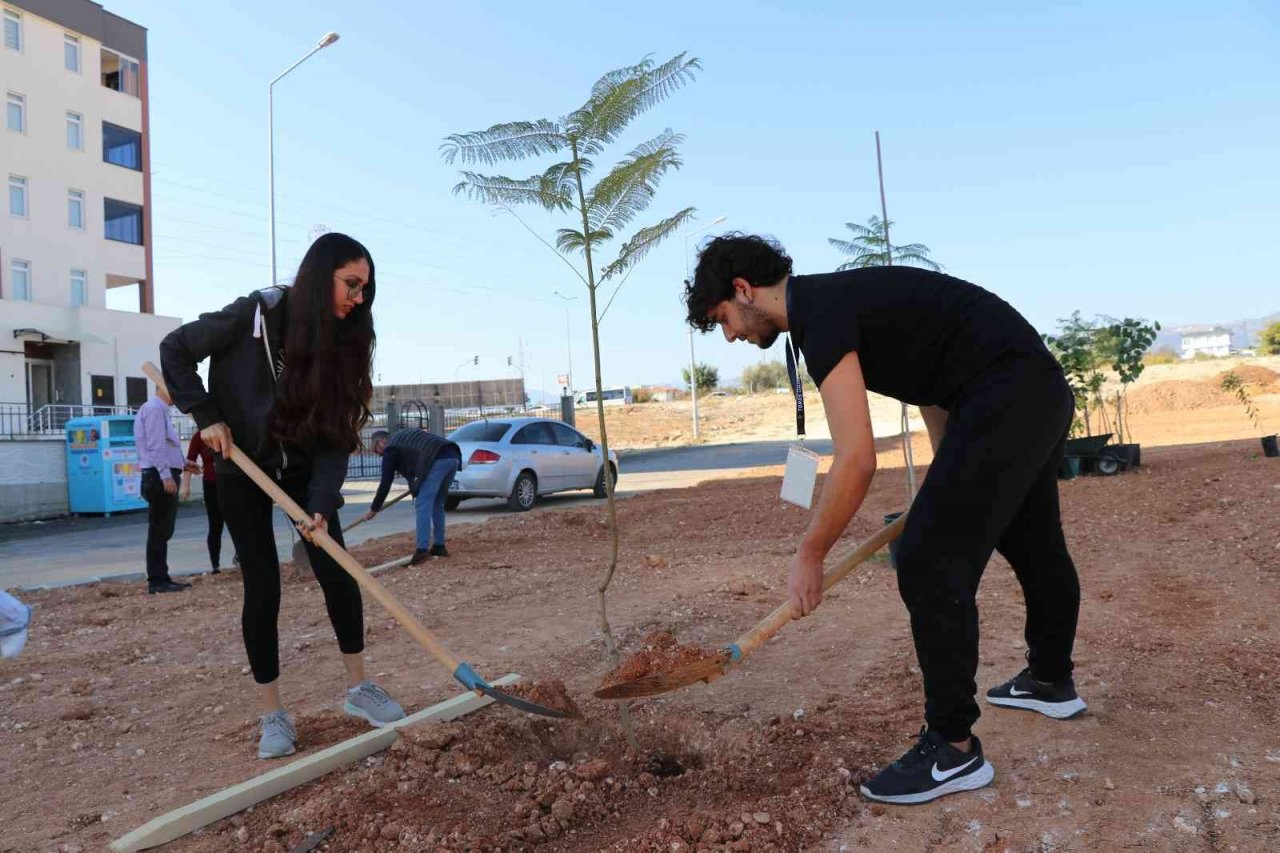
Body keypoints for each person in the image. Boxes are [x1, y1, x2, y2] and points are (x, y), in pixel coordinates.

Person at [684, 233, 1084, 805]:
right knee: (1031, 540)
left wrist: (812, 552)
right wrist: (950, 471)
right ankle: (1050, 680)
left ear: (744, 291)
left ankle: (953, 749)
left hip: (1006, 395)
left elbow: (857, 459)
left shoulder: (818, 314)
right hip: (1032, 389)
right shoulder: (841, 301)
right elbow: (935, 376)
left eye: (724, 318)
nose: (731, 335)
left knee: (926, 558)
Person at [160, 232, 405, 760]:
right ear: (321, 275)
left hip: (302, 467)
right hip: (241, 465)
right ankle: (273, 714)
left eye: (365, 289)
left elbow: (337, 436)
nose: (358, 298)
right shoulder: (254, 316)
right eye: (351, 284)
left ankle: (360, 690)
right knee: (263, 586)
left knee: (336, 569)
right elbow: (175, 351)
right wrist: (206, 417)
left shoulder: (345, 341)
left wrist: (321, 500)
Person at [365, 427, 462, 566]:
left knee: (423, 503)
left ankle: (422, 550)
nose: (379, 455)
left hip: (437, 458)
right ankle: (439, 546)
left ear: (381, 443)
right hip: (452, 456)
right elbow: (412, 472)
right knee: (437, 503)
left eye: (376, 451)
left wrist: (374, 509)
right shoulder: (402, 441)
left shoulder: (390, 448)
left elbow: (385, 483)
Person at [134, 385, 192, 595]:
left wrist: (183, 464)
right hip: (158, 477)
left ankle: (161, 576)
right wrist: (166, 475)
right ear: (162, 388)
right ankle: (157, 580)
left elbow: (166, 447)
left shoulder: (160, 411)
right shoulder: (155, 409)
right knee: (159, 529)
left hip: (160, 474)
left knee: (163, 529)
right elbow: (155, 446)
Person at [180, 431, 238, 573]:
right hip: (211, 484)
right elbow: (189, 462)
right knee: (215, 524)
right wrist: (186, 486)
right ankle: (215, 565)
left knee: (236, 522)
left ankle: (241, 556)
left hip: (232, 482)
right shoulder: (198, 436)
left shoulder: (228, 430)